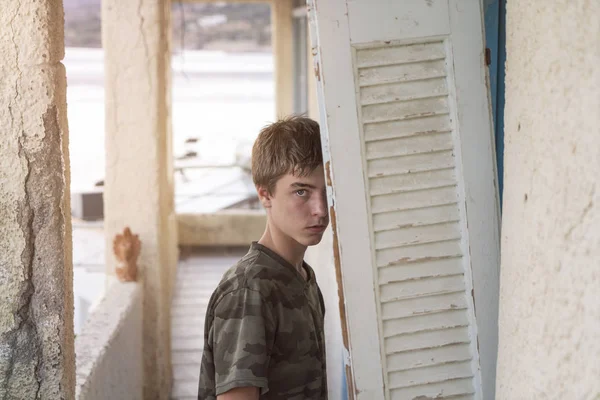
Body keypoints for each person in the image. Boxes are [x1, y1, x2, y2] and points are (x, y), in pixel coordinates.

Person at [198, 116, 329, 400]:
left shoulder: (303, 277)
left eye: (326, 190)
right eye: (301, 191)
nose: (320, 209)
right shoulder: (250, 290)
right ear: (265, 194)